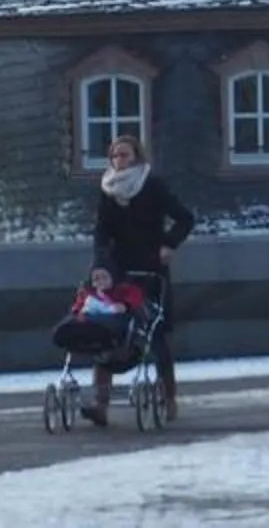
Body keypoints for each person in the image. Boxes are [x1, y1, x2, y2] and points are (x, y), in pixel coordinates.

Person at [88, 136, 194, 424]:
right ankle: (100, 403)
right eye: (114, 156)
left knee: (156, 331)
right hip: (118, 268)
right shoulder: (107, 189)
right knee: (108, 329)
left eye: (124, 155)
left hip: (150, 267)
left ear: (136, 156)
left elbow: (185, 218)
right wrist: (100, 261)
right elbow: (101, 229)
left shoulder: (152, 185)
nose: (119, 160)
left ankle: (168, 397)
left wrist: (169, 244)